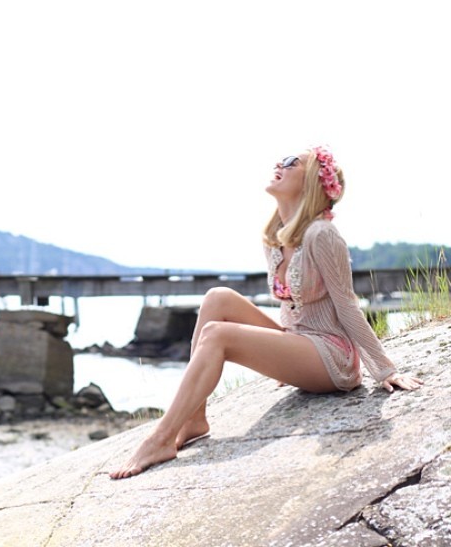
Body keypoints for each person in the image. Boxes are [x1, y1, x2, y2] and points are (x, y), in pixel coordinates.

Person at [109, 145, 423, 480]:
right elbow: (291, 306)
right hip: (300, 343)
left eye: (291, 162)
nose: (279, 164)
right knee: (217, 298)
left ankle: (160, 439)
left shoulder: (323, 234)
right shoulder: (275, 236)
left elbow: (347, 304)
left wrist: (384, 370)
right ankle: (194, 418)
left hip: (332, 357)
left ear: (312, 182)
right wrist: (281, 356)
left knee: (217, 335)